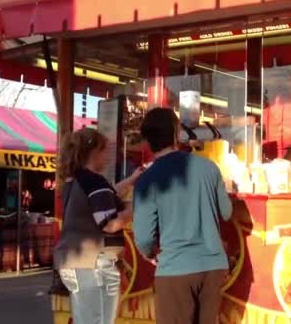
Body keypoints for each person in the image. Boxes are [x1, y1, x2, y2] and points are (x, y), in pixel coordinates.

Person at [133, 108, 233, 324]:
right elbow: (227, 212)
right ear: (176, 133)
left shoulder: (147, 179)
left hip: (174, 269)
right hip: (213, 267)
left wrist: (149, 254)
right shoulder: (209, 167)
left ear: (148, 140)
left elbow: (143, 237)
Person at [54, 127, 142, 324]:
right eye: (105, 151)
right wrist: (136, 209)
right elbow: (109, 224)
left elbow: (107, 194)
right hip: (94, 264)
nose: (109, 157)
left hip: (75, 262)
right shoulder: (94, 181)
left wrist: (132, 179)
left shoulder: (76, 179)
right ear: (94, 152)